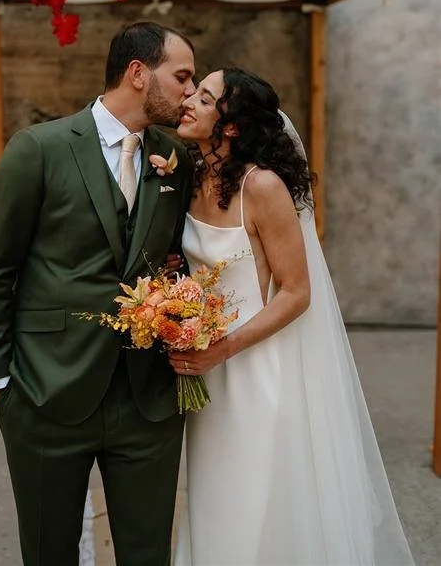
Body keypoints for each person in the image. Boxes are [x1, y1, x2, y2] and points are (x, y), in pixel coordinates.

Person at [0, 20, 196, 566]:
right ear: (139, 74)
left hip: (148, 400)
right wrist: (1, 382)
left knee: (147, 554)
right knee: (49, 551)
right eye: (182, 76)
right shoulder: (38, 149)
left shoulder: (176, 160)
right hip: (45, 389)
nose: (190, 92)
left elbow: (180, 256)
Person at [170, 67, 415, 565]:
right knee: (215, 496)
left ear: (232, 125)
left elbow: (297, 292)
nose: (188, 101)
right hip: (205, 369)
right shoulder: (190, 175)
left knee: (256, 498)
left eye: (204, 96)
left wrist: (223, 348)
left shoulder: (263, 188)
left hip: (253, 368)